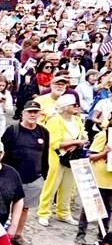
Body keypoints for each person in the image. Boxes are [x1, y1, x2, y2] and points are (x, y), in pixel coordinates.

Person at [1, 101, 50, 245]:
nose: (33, 115)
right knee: (3, 207)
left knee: (24, 208)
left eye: (36, 112)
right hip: (11, 178)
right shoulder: (12, 130)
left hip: (33, 178)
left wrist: (43, 175)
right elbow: (2, 154)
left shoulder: (43, 132)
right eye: (30, 111)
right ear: (23, 113)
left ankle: (17, 235)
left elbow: (45, 155)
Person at [38, 94, 88, 226]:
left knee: (68, 186)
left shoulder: (77, 120)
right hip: (56, 156)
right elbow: (53, 142)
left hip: (73, 156)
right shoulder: (55, 120)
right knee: (52, 185)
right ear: (65, 107)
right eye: (73, 105)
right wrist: (75, 142)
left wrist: (79, 143)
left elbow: (84, 135)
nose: (76, 107)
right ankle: (44, 212)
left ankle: (63, 212)